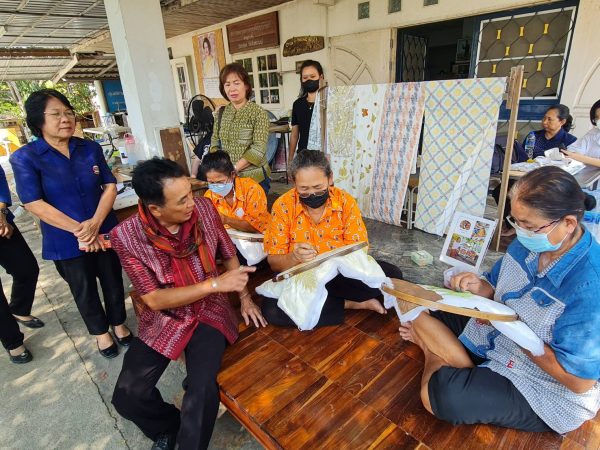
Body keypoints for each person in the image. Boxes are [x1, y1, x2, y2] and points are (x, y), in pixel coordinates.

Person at [400, 166, 600, 435]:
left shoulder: (589, 286)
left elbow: (578, 383)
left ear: (568, 224)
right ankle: (459, 363)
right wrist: (479, 286)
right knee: (417, 308)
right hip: (495, 333)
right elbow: (496, 290)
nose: (519, 232)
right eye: (515, 221)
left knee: (440, 395)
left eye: (528, 225)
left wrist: (521, 337)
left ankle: (436, 353)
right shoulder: (525, 244)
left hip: (542, 384)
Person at [110, 158, 266, 450]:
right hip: (166, 317)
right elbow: (154, 299)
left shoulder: (205, 209)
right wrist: (214, 284)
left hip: (210, 311)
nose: (191, 203)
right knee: (127, 395)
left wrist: (243, 297)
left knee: (201, 389)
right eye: (181, 200)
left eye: (191, 193)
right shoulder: (126, 236)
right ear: (155, 209)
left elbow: (227, 250)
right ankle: (168, 427)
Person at [10, 89, 130, 359]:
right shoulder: (26, 157)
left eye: (68, 112)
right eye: (55, 114)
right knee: (83, 288)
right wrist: (81, 230)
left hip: (104, 230)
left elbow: (109, 185)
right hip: (66, 239)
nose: (65, 119)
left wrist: (96, 223)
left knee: (112, 280)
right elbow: (33, 202)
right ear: (37, 121)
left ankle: (119, 324)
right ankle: (101, 334)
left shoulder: (89, 147)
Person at [261, 150, 403, 327]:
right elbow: (274, 262)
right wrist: (294, 257)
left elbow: (359, 249)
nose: (312, 194)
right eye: (304, 189)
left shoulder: (345, 202)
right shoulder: (283, 206)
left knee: (393, 276)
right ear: (293, 183)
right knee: (273, 310)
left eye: (318, 187)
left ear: (330, 178)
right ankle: (351, 304)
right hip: (302, 277)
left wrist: (333, 262)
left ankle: (324, 302)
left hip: (338, 275)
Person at [493, 104, 578, 235]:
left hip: (551, 184)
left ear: (562, 121)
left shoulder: (570, 141)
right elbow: (522, 158)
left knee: (535, 198)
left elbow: (569, 166)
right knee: (501, 191)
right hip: (527, 178)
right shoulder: (533, 136)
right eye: (544, 118)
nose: (545, 122)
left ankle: (534, 228)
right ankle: (515, 225)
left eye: (550, 119)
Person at [0, 165, 40, 364]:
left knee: (26, 268)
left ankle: (18, 308)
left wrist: (1, 211)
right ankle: (12, 341)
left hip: (0, 222)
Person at [210, 63, 271, 193]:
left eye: (236, 83)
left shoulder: (258, 113)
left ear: (246, 86)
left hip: (255, 179)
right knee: (230, 213)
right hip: (227, 178)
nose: (232, 89)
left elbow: (258, 149)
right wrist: (220, 166)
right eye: (227, 84)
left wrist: (234, 168)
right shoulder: (221, 113)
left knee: (255, 213)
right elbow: (215, 140)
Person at [289, 60, 324, 162]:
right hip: (303, 157)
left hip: (323, 158)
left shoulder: (329, 103)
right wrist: (290, 159)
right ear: (301, 80)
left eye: (312, 77)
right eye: (305, 78)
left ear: (321, 77)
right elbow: (295, 134)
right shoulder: (297, 105)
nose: (309, 80)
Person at [562, 99, 600, 168]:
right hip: (588, 174)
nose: (599, 121)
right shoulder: (594, 132)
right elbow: (575, 149)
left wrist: (581, 158)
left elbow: (578, 157)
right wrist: (574, 154)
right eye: (597, 118)